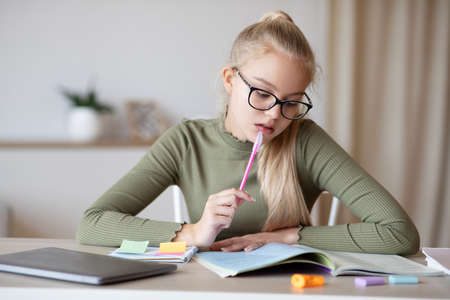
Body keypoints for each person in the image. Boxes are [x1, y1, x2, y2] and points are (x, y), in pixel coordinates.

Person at [76, 10, 419, 255]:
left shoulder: (306, 141)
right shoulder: (186, 141)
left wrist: (287, 238)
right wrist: (193, 232)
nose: (274, 115)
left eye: (291, 103)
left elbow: (398, 233)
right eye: (262, 93)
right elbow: (92, 225)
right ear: (229, 80)